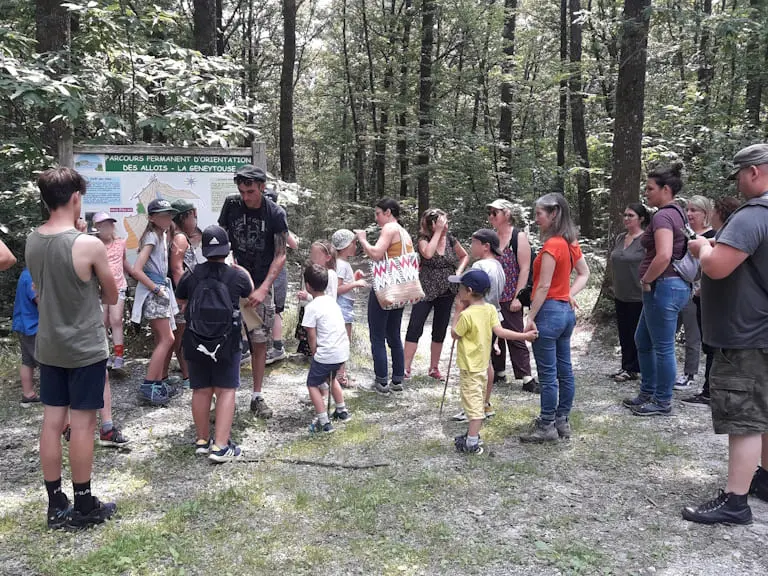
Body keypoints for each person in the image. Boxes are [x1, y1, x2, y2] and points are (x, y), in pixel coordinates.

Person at [26, 167, 118, 530]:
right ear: (76, 198)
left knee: (52, 423)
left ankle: (55, 503)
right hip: (83, 347)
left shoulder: (33, 240)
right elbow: (111, 294)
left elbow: (40, 287)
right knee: (81, 425)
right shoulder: (89, 245)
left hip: (48, 346)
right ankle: (84, 504)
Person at [681, 143, 768, 525]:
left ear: (753, 172)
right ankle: (763, 480)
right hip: (761, 331)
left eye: (739, 175)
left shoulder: (753, 214)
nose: (738, 182)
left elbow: (717, 268)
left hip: (746, 336)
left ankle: (736, 502)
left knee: (744, 419)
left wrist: (702, 248)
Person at [175, 225, 253, 463]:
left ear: (205, 250)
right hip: (226, 341)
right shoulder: (236, 275)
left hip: (196, 340)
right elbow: (249, 293)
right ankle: (220, 446)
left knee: (201, 389)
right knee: (226, 389)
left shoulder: (192, 274)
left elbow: (180, 297)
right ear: (226, 249)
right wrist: (242, 269)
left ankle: (201, 440)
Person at [218, 165, 288, 418]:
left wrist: (264, 288)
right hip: (232, 282)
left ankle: (257, 396)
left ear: (261, 187)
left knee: (259, 341)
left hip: (260, 285)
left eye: (250, 191)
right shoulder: (231, 205)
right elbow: (222, 240)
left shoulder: (275, 213)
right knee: (226, 339)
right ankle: (225, 395)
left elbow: (281, 253)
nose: (246, 197)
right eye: (242, 191)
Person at [520, 193, 590, 443]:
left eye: (539, 213)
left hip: (548, 313)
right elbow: (584, 273)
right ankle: (562, 420)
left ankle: (546, 425)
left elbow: (542, 286)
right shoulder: (570, 244)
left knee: (548, 374)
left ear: (554, 214)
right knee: (565, 371)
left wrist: (531, 316)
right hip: (565, 314)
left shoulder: (552, 246)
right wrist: (568, 294)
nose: (536, 218)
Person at [622, 165, 692, 416]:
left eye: (650, 188)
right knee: (643, 340)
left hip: (663, 285)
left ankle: (662, 401)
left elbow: (663, 255)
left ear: (666, 190)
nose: (646, 192)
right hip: (669, 286)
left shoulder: (663, 216)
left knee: (662, 346)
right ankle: (648, 391)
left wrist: (646, 280)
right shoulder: (678, 213)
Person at [450, 269, 538, 454]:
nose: (458, 290)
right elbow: (501, 332)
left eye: (461, 287)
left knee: (473, 406)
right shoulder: (490, 309)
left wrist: (457, 312)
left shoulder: (467, 315)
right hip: (482, 365)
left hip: (470, 367)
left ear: (469, 290)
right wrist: (524, 335)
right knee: (477, 400)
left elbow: (455, 334)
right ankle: (471, 435)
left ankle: (472, 443)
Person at [682, 196, 742, 407]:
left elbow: (715, 268)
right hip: (709, 300)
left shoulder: (726, 237)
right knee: (711, 346)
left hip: (715, 302)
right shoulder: (726, 236)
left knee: (713, 345)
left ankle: (710, 391)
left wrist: (701, 289)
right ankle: (711, 389)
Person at [355, 197, 415, 394]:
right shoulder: (404, 232)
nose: (376, 218)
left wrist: (363, 238)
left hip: (385, 288)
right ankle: (397, 378)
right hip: (401, 288)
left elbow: (376, 253)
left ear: (388, 212)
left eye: (378, 213)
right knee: (394, 334)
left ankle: (381, 381)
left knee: (378, 335)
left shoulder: (389, 228)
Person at [403, 209, 469, 380]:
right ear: (432, 224)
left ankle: (434, 368)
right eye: (441, 222)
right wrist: (438, 232)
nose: (445, 225)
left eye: (445, 222)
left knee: (440, 329)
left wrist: (459, 272)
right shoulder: (423, 240)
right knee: (415, 326)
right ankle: (405, 367)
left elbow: (464, 256)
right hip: (426, 288)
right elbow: (428, 253)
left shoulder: (451, 240)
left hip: (447, 289)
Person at [130, 198, 180, 406]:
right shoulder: (152, 236)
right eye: (162, 215)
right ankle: (149, 384)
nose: (167, 218)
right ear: (152, 218)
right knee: (168, 339)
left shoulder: (162, 234)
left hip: (159, 291)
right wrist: (156, 288)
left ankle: (158, 382)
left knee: (163, 339)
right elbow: (136, 269)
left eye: (169, 214)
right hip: (155, 293)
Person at [487, 199, 537, 392]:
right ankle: (498, 371)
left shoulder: (518, 237)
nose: (491, 217)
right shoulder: (491, 237)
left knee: (516, 335)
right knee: (492, 335)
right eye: (490, 213)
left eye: (495, 213)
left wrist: (519, 297)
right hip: (491, 297)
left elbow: (524, 269)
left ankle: (526, 377)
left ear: (506, 214)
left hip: (510, 295)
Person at [301, 263, 352, 434]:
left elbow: (311, 333)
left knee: (312, 384)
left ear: (307, 285)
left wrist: (315, 351)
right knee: (331, 379)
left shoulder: (311, 307)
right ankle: (341, 410)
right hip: (341, 351)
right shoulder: (331, 302)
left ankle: (323, 421)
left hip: (326, 353)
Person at [674, 195, 715, 391]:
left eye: (694, 210)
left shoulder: (711, 236)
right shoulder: (684, 233)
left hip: (697, 290)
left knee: (692, 334)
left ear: (705, 213)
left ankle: (690, 374)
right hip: (676, 287)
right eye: (687, 210)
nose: (689, 214)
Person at [610, 203, 649, 382]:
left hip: (638, 294)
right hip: (621, 294)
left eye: (631, 215)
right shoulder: (620, 238)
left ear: (641, 218)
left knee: (637, 333)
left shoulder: (646, 240)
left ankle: (638, 368)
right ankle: (626, 366)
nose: (626, 218)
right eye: (625, 215)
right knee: (624, 333)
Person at [165, 199, 201, 389]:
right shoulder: (179, 238)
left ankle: (184, 375)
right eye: (193, 217)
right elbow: (177, 268)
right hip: (181, 298)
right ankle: (186, 376)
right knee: (179, 337)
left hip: (180, 296)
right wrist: (185, 295)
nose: (195, 222)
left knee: (179, 336)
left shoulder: (178, 236)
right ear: (185, 217)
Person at [92, 212, 131, 372]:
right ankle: (105, 355)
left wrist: (136, 273)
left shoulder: (121, 243)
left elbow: (123, 262)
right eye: (103, 225)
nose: (107, 228)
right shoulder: (94, 246)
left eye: (110, 224)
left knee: (116, 320)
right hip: (99, 289)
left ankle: (119, 356)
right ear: (97, 228)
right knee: (102, 322)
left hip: (118, 286)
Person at [331, 229, 368, 388]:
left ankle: (340, 374)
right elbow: (337, 289)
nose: (355, 245)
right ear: (346, 246)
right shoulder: (341, 264)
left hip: (346, 305)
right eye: (353, 243)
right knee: (343, 341)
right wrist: (355, 283)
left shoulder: (343, 263)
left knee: (345, 341)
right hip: (342, 306)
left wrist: (355, 277)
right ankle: (340, 376)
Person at [13, 268, 40, 406]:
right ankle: (52, 394)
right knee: (44, 362)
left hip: (23, 324)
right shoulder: (32, 276)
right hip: (32, 326)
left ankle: (28, 393)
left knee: (27, 361)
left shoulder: (25, 273)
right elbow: (40, 301)